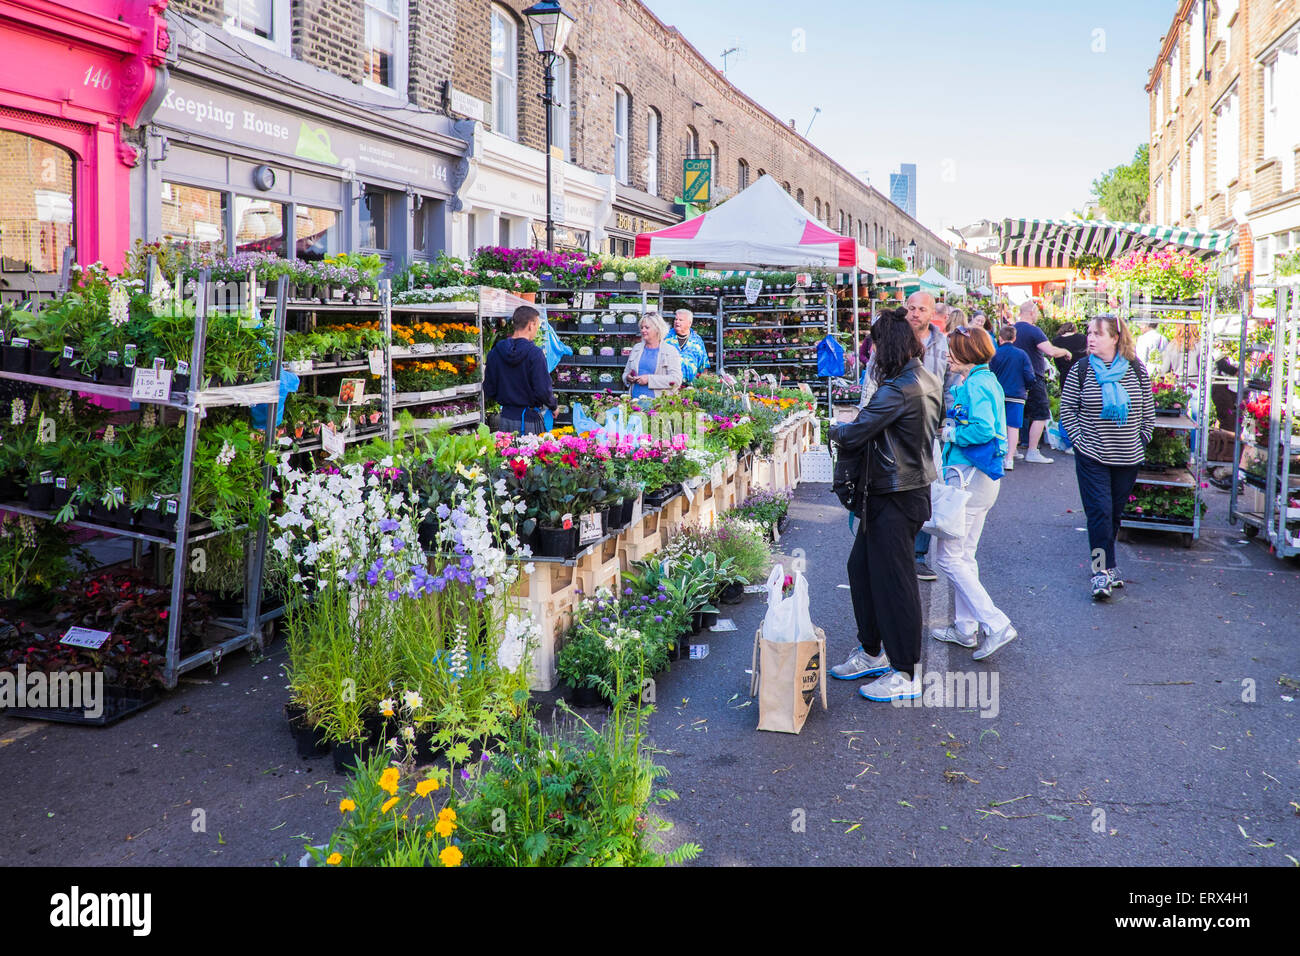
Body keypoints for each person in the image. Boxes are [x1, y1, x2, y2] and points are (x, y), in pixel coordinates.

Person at [828, 309, 942, 702]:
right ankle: (873, 651)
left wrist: (831, 427)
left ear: (886, 346)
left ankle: (906, 670)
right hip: (900, 491)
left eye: (875, 344)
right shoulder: (922, 377)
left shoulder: (899, 387)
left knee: (895, 584)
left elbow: (855, 430)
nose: (871, 352)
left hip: (895, 493)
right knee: (861, 569)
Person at [931, 326, 1018, 659]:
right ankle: (966, 629)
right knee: (964, 555)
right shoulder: (983, 380)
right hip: (981, 480)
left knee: (948, 557)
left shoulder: (977, 384)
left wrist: (950, 433)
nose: (949, 355)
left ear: (968, 353)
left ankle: (995, 624)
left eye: (953, 350)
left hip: (968, 476)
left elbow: (982, 428)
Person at [1059, 314, 1155, 600]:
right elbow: (1067, 410)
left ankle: (1108, 564)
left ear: (1115, 338)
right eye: (1089, 332)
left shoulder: (1136, 369)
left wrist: (1142, 438)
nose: (1090, 338)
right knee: (1099, 512)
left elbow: (1148, 412)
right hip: (1092, 455)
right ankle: (1101, 571)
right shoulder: (1082, 369)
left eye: (1098, 333)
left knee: (1113, 514)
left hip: (1128, 458)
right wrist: (1079, 441)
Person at [860, 291, 950, 581]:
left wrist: (943, 417)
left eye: (921, 309)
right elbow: (871, 380)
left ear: (931, 313)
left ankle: (918, 555)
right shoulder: (887, 341)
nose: (914, 313)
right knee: (899, 481)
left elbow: (946, 384)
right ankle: (898, 550)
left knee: (923, 483)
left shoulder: (941, 342)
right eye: (910, 308)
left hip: (925, 423)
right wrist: (866, 416)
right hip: (889, 421)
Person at [1012, 300, 1073, 463]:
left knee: (1015, 413)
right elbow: (1050, 351)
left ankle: (1012, 450)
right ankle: (1032, 451)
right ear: (1032, 312)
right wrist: (1065, 351)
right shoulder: (1034, 331)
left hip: (1013, 378)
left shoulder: (1011, 329)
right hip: (1033, 377)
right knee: (1040, 413)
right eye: (1037, 312)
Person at [483, 305, 556, 435]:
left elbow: (489, 388)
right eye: (537, 326)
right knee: (531, 455)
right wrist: (553, 406)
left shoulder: (495, 352)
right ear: (531, 325)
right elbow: (543, 390)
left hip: (505, 418)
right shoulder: (535, 354)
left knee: (505, 454)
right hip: (529, 419)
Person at [989, 324, 1035, 471]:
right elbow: (1030, 376)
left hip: (998, 393)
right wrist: (1027, 387)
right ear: (1014, 338)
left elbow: (989, 372)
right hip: (1017, 394)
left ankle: (998, 455)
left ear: (1000, 338)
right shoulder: (1022, 354)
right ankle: (1009, 458)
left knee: (996, 424)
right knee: (1013, 426)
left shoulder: (994, 353)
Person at [622, 311, 682, 399]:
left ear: (657, 329)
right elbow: (626, 372)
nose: (643, 330)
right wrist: (628, 377)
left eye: (647, 327)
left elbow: (676, 380)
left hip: (658, 404)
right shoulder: (636, 348)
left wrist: (649, 379)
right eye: (642, 327)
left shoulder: (670, 351)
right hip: (634, 402)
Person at [671, 309, 710, 383]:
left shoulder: (697, 340)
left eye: (680, 320)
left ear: (689, 323)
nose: (677, 322)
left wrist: (702, 384)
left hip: (691, 387)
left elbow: (703, 364)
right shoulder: (666, 338)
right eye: (676, 319)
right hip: (669, 385)